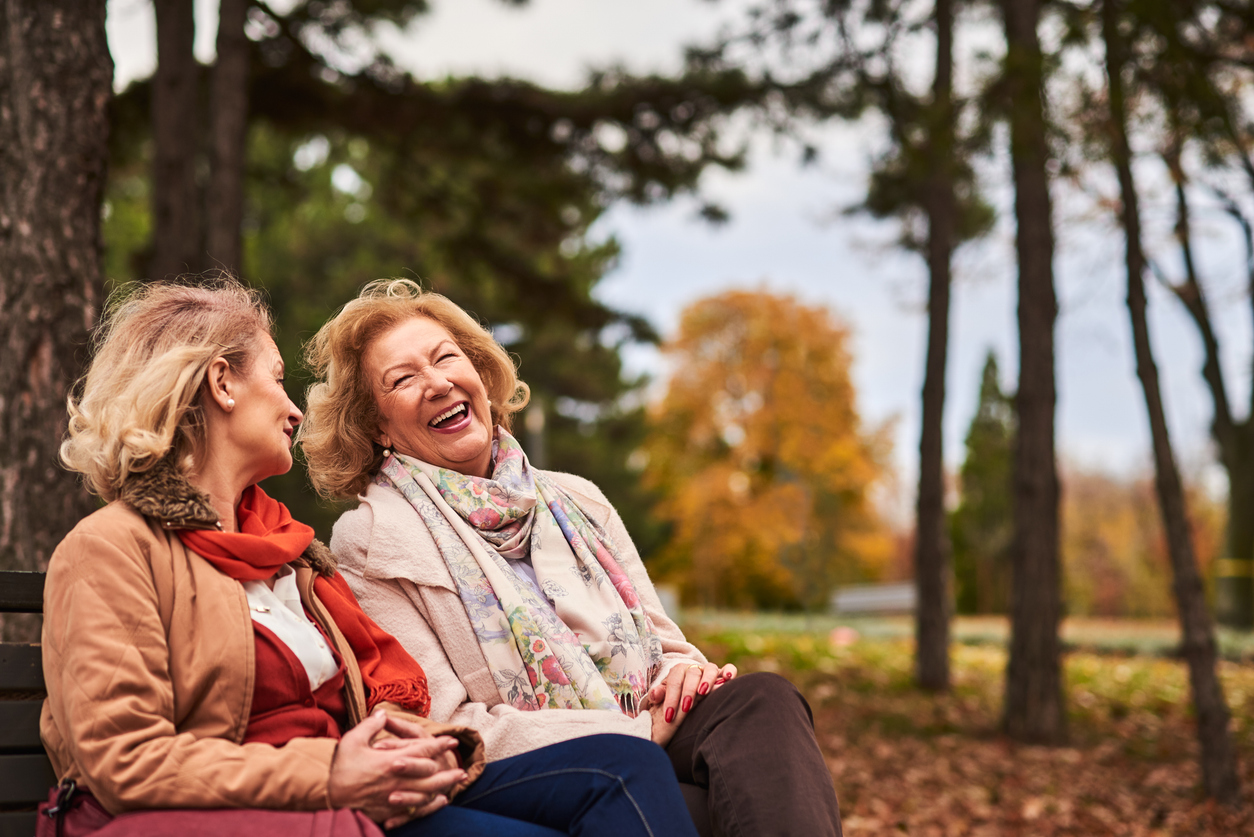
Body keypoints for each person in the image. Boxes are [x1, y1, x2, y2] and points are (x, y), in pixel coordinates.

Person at [41, 278, 700, 837]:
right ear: (222, 383)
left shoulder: (291, 558)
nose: (296, 409)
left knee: (618, 774)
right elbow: (124, 759)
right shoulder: (112, 550)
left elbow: (383, 705)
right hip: (252, 812)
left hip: (342, 798)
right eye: (276, 379)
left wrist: (427, 754)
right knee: (619, 772)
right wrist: (332, 772)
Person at [300, 279, 843, 837]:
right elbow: (445, 723)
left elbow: (668, 644)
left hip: (650, 730)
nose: (437, 382)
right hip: (540, 768)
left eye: (445, 359)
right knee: (684, 796)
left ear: (482, 378)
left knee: (762, 700)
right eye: (404, 379)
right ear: (377, 427)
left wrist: (686, 674)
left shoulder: (578, 497)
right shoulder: (372, 539)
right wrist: (629, 733)